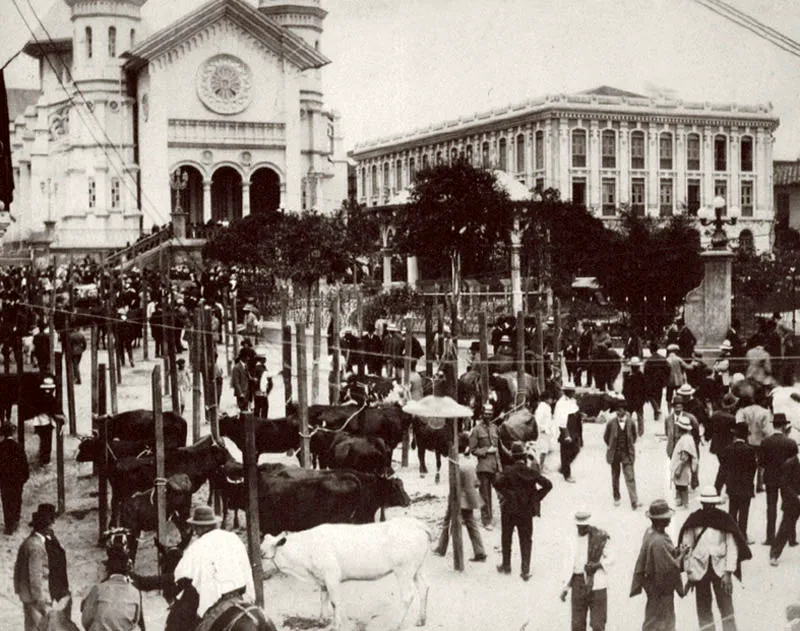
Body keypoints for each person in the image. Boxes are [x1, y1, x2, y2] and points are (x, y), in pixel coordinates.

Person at [678, 486, 751, 631]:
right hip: (700, 570)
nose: (709, 507)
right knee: (704, 609)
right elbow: (687, 548)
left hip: (721, 570)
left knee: (726, 609)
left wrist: (728, 573)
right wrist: (690, 573)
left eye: (711, 504)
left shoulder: (724, 519)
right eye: (706, 504)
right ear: (702, 504)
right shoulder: (694, 520)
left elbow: (732, 546)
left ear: (715, 504)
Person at [172, 505, 255, 628]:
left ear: (198, 527)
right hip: (241, 595)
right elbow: (246, 567)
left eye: (195, 526)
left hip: (215, 599)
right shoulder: (233, 537)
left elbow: (180, 574)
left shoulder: (197, 545)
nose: (194, 530)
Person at [493, 441, 552, 580]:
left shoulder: (508, 471)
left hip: (509, 509)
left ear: (513, 456)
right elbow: (548, 485)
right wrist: (536, 497)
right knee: (526, 539)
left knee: (506, 537)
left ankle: (506, 566)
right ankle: (525, 570)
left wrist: (508, 495)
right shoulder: (531, 472)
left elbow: (496, 483)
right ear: (524, 456)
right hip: (526, 510)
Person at [630, 499, 687, 631]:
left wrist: (676, 551)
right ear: (660, 520)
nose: (669, 519)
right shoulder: (659, 542)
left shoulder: (650, 532)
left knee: (651, 619)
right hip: (662, 590)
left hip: (652, 588)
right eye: (666, 517)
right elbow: (670, 568)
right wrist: (682, 554)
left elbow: (665, 556)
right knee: (664, 624)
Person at [434, 435, 487, 563]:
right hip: (469, 496)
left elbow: (453, 483)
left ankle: (441, 548)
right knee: (471, 523)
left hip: (457, 496)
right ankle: (480, 551)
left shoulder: (455, 462)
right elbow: (476, 482)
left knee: (448, 521)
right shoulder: (470, 461)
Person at [560, 510, 613, 631]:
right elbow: (569, 566)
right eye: (579, 526)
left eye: (584, 526)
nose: (581, 529)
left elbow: (612, 557)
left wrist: (598, 565)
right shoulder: (571, 540)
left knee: (598, 623)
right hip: (578, 583)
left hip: (598, 584)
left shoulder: (600, 537)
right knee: (577, 624)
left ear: (589, 525)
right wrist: (565, 588)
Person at [14, 504, 57, 631]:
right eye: (49, 525)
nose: (51, 527)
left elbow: (18, 569)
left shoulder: (28, 542)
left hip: (27, 596)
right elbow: (35, 576)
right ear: (44, 528)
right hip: (36, 598)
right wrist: (40, 601)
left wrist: (19, 590)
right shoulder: (36, 547)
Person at [81, 545, 143, 631]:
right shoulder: (135, 592)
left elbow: (86, 621)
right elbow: (135, 621)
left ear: (108, 569)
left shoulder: (98, 588)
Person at [716, 422, 757, 543]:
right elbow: (753, 469)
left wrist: (717, 487)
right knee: (744, 512)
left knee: (732, 511)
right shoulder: (750, 450)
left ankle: (732, 535)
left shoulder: (728, 449)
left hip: (732, 486)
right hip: (746, 486)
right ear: (746, 436)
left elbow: (722, 470)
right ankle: (742, 536)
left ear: (735, 436)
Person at [761, 413, 798, 546]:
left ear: (774, 425)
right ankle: (791, 538)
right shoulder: (791, 443)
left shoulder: (765, 442)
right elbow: (795, 464)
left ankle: (770, 537)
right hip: (787, 480)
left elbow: (762, 463)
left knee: (771, 508)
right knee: (789, 508)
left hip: (770, 478)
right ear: (784, 426)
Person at [603, 395, 640, 510]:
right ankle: (616, 497)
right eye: (617, 411)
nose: (619, 413)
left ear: (625, 410)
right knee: (615, 476)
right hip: (614, 454)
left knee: (630, 476)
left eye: (621, 410)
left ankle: (634, 501)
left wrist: (628, 447)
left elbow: (634, 437)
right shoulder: (611, 423)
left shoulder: (631, 422)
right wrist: (612, 446)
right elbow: (606, 437)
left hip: (626, 454)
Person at [468, 403, 501, 530]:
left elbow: (500, 446)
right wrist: (487, 450)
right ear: (482, 414)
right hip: (484, 467)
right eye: (486, 413)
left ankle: (507, 518)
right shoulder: (476, 430)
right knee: (485, 495)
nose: (488, 416)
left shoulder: (495, 428)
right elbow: (473, 449)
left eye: (490, 413)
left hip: (496, 466)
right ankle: (486, 521)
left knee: (503, 493)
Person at [770, 446, 800, 566]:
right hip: (793, 502)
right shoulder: (790, 464)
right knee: (786, 527)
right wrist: (796, 496)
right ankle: (774, 554)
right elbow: (784, 484)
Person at [0, 423, 29, 534]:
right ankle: (16, 521)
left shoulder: (1, 447)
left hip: (5, 481)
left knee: (6, 501)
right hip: (17, 480)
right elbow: (24, 464)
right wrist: (24, 478)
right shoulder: (18, 447)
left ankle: (9, 525)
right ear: (13, 433)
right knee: (17, 500)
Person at [31, 374, 64, 466]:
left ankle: (43, 457)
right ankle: (45, 459)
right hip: (46, 422)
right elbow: (54, 410)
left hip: (39, 422)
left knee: (43, 440)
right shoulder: (50, 399)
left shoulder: (38, 397)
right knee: (47, 441)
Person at [555, 381, 582, 483]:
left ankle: (563, 467)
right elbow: (561, 420)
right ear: (567, 392)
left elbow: (574, 411)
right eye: (572, 391)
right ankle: (567, 474)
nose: (574, 393)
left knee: (576, 449)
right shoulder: (561, 403)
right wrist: (566, 434)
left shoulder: (572, 401)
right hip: (566, 429)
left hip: (574, 428)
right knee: (565, 452)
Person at [669, 417, 698, 509]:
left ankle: (685, 504)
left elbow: (684, 457)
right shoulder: (687, 438)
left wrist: (679, 469)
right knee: (680, 485)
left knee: (682, 486)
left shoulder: (686, 439)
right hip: (682, 467)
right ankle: (681, 502)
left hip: (682, 467)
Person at [643, 342, 670, 422]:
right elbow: (668, 369)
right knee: (659, 396)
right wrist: (665, 379)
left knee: (650, 396)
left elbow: (646, 372)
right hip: (660, 381)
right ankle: (657, 413)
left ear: (651, 350)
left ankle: (657, 410)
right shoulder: (663, 359)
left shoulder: (649, 360)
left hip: (651, 382)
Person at [623, 357, 647, 436]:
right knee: (640, 417)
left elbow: (625, 389)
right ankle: (640, 432)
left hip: (630, 400)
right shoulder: (642, 376)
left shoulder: (627, 377)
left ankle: (628, 431)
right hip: (639, 400)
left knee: (628, 416)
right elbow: (645, 389)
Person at [534, 390, 557, 472]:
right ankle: (540, 468)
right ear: (546, 399)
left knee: (545, 450)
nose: (551, 400)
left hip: (547, 432)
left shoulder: (547, 407)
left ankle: (542, 466)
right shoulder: (541, 407)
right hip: (542, 432)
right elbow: (537, 420)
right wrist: (542, 429)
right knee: (542, 451)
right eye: (550, 398)